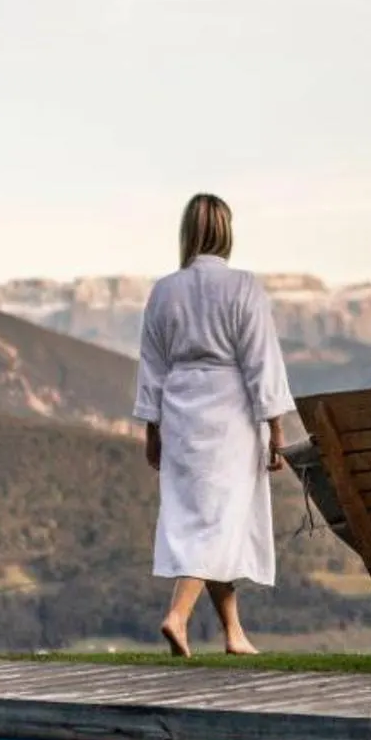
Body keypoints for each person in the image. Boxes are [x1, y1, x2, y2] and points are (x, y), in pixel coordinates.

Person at [133, 193, 294, 656]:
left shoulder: (165, 290)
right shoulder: (244, 287)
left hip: (181, 411)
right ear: (226, 232)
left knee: (211, 520)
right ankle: (177, 616)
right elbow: (264, 363)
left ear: (187, 232)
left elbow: (152, 367)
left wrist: (153, 430)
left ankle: (233, 633)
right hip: (231, 416)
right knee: (218, 521)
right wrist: (276, 429)